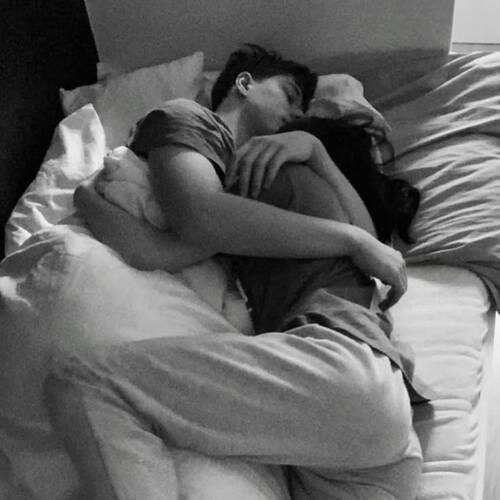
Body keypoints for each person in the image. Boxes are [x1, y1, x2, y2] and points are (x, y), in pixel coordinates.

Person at [43, 44, 429, 500]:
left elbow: (199, 219)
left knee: (83, 384)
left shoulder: (267, 167)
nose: (296, 115)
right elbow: (178, 241)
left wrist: (317, 153)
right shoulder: (202, 127)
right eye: (289, 96)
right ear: (245, 84)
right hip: (368, 440)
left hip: (344, 377)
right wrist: (86, 199)